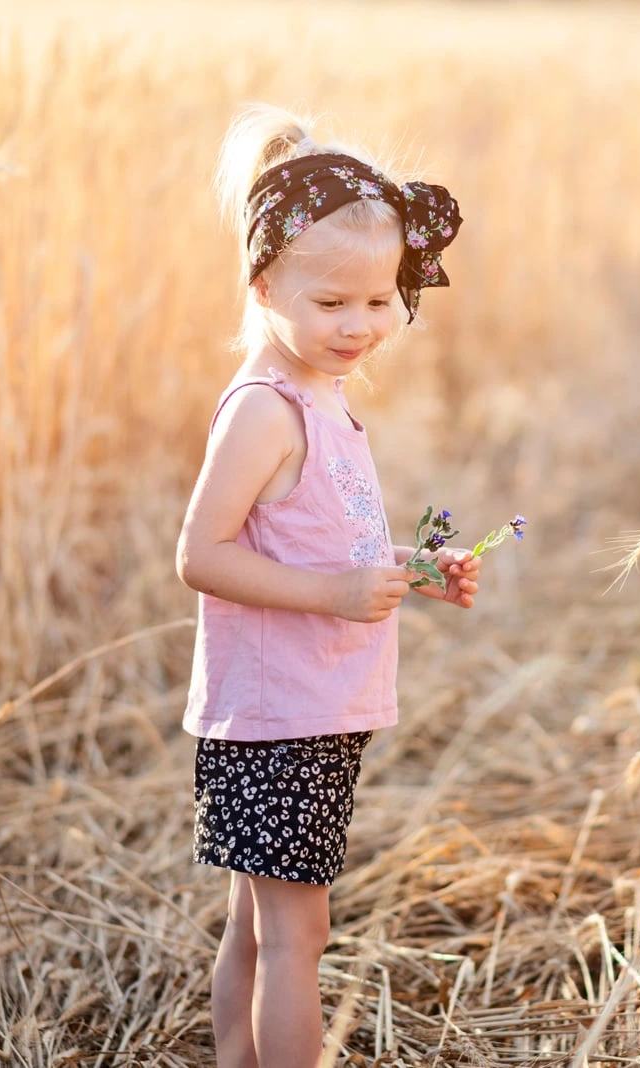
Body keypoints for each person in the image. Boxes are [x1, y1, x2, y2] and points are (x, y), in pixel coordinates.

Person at [175, 104, 479, 1068]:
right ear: (263, 285)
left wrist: (408, 572)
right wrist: (336, 598)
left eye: (380, 301)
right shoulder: (266, 409)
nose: (360, 326)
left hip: (311, 706)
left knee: (262, 926)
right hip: (278, 713)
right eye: (331, 304)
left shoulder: (320, 391)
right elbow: (201, 554)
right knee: (296, 937)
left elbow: (316, 538)